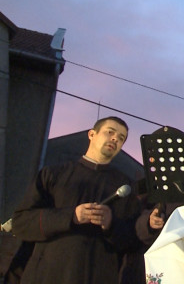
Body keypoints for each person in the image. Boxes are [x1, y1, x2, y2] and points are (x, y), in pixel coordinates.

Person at [12, 116, 139, 284]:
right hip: (47, 274)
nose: (115, 139)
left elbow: (132, 241)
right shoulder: (53, 174)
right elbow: (21, 222)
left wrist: (110, 224)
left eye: (121, 138)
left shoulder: (126, 187)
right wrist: (71, 216)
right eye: (110, 132)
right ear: (92, 134)